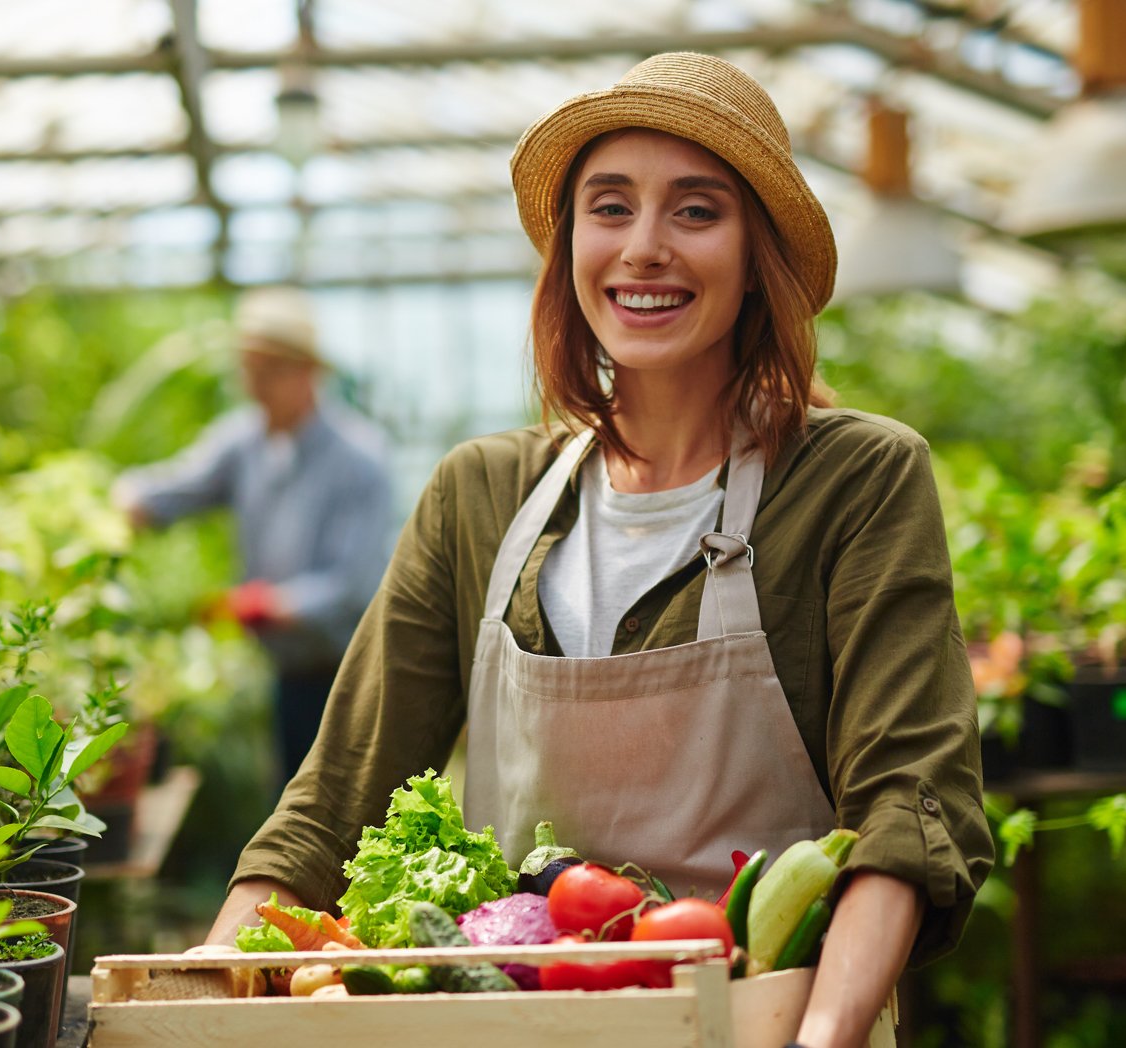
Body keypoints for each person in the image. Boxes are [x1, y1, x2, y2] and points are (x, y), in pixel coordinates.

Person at [200, 55, 993, 1047]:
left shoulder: (851, 481)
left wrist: (821, 1036)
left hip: (769, 1022)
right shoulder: (478, 497)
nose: (643, 249)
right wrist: (193, 990)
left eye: (695, 212)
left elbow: (907, 804)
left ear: (757, 253)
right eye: (608, 208)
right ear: (569, 241)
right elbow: (331, 804)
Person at [111, 286, 392, 784]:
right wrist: (122, 499)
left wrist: (270, 604)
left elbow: (353, 584)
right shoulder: (244, 442)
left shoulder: (359, 458)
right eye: (249, 370)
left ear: (309, 372)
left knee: (346, 803)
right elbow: (180, 488)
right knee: (292, 793)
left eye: (270, 371)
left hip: (350, 675)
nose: (255, 385)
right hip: (287, 670)